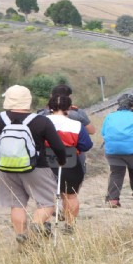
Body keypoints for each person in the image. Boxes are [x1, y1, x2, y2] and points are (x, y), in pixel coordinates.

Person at [0, 85, 67, 245]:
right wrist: (61, 159)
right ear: (28, 100)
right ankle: (37, 226)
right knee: (46, 203)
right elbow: (58, 146)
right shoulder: (41, 121)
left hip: (7, 167)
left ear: (8, 99)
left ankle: (21, 235)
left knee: (16, 204)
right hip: (37, 167)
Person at [45, 94, 93, 233]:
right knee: (70, 195)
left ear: (50, 107)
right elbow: (86, 145)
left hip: (46, 162)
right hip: (70, 162)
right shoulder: (76, 125)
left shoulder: (41, 121)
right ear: (69, 108)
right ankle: (69, 226)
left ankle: (45, 224)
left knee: (45, 195)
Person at [101, 94, 133, 207]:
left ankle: (113, 199)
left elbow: (103, 133)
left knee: (116, 174)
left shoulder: (110, 116)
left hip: (112, 150)